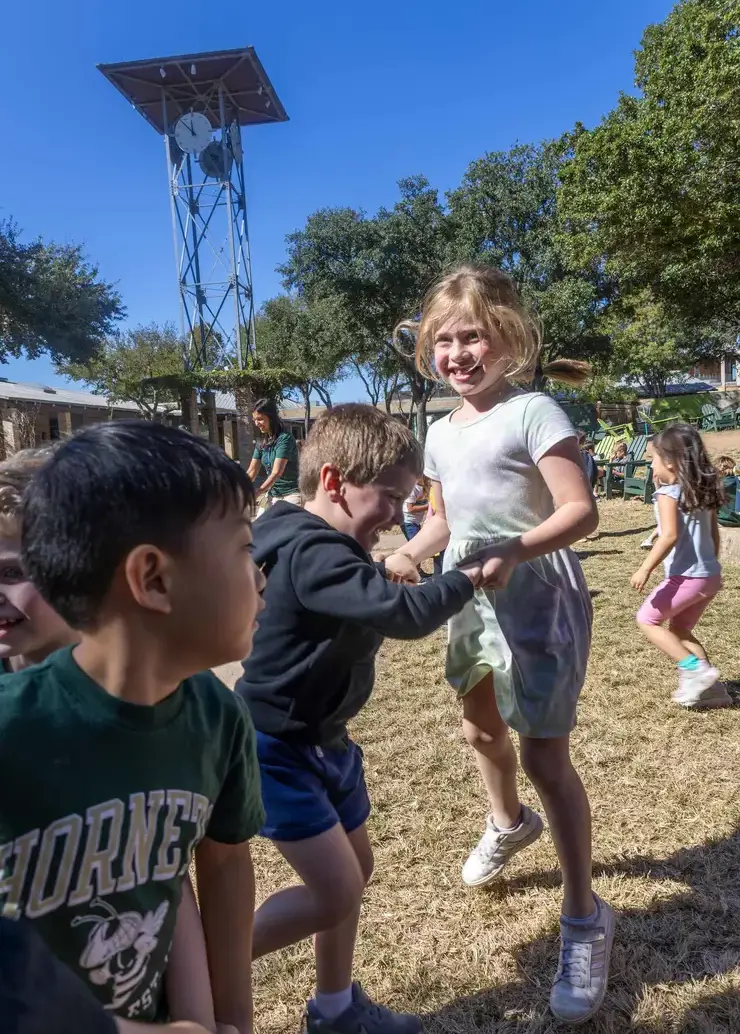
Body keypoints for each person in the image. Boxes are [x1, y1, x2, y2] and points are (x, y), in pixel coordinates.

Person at [384, 265, 613, 1024]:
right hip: (468, 594)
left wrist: (513, 549)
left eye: (472, 335)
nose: (457, 352)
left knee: (546, 754)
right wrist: (413, 555)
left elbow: (582, 513)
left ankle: (584, 917)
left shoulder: (535, 412)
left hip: (537, 592)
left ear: (508, 338)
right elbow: (444, 520)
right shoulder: (438, 431)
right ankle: (509, 824)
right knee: (478, 725)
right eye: (443, 339)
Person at [0, 422, 266, 1031]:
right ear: (153, 578)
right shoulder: (11, 730)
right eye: (244, 549)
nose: (259, 577)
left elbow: (220, 866)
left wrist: (232, 1020)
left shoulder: (216, 716)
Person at [236, 404, 481, 1034]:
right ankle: (206, 965)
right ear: (334, 482)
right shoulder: (314, 552)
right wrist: (470, 577)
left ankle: (336, 1007)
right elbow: (403, 617)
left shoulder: (305, 536)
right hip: (277, 745)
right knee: (335, 890)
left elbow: (358, 585)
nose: (397, 513)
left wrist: (410, 550)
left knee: (355, 872)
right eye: (391, 497)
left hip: (323, 739)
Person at [630, 424, 729, 709]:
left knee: (647, 620)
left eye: (653, 458)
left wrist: (645, 568)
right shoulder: (699, 492)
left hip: (686, 577)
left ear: (671, 461)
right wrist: (711, 566)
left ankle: (694, 669)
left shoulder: (667, 495)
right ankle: (713, 691)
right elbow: (714, 535)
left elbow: (668, 535)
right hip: (709, 575)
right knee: (680, 631)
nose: (650, 464)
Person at [247, 398, 300, 512]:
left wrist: (258, 492)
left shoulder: (285, 438)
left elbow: (276, 473)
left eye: (260, 419)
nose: (256, 423)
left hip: (291, 494)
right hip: (273, 494)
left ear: (271, 418)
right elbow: (251, 471)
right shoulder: (261, 442)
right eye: (254, 420)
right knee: (260, 526)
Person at [401, 476, 428, 541]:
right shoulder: (412, 489)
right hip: (409, 522)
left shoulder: (423, 487)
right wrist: (428, 507)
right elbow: (410, 509)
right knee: (416, 545)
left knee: (417, 544)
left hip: (415, 522)